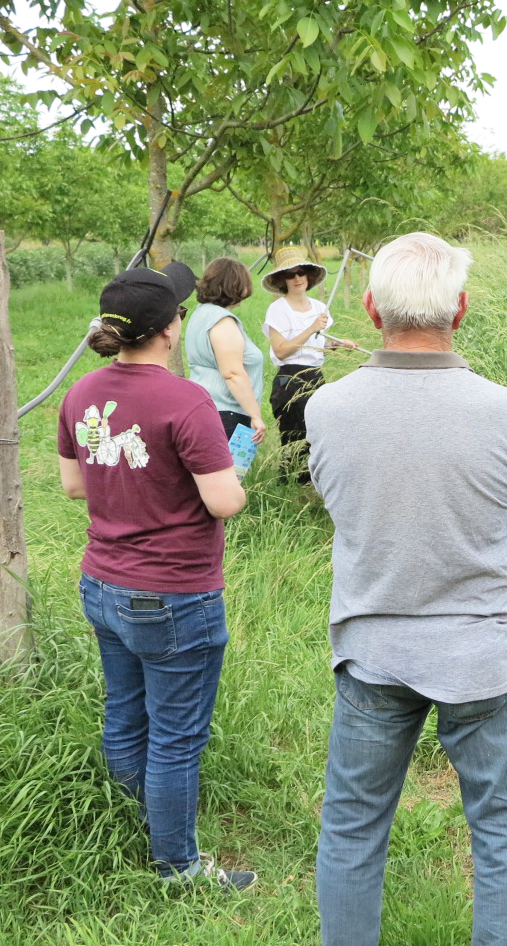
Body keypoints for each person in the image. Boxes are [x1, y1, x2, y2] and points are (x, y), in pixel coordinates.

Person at [303, 232, 507, 946]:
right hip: (480, 652)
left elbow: (338, 504)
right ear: (461, 309)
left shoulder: (327, 407)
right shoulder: (502, 409)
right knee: (505, 830)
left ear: (370, 309)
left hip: (373, 647)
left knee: (352, 827)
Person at [57, 260, 258, 891]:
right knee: (176, 737)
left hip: (102, 581)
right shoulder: (186, 400)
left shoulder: (82, 393)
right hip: (173, 592)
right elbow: (224, 501)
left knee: (125, 713)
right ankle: (178, 868)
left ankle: (128, 825)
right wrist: (237, 471)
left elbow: (72, 485)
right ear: (171, 328)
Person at [260, 247, 361, 482]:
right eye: (290, 274)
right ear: (282, 280)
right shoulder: (278, 309)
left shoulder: (318, 308)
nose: (297, 279)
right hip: (290, 379)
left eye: (301, 273)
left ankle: (313, 484)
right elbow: (282, 351)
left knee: (315, 435)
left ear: (308, 275)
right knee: (293, 437)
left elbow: (316, 345)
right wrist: (311, 328)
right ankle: (288, 486)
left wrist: (338, 344)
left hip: (315, 377)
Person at [186, 257, 267, 452]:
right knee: (227, 479)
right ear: (234, 286)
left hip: (201, 407)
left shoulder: (201, 313)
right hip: (226, 414)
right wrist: (255, 415)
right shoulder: (223, 322)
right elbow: (232, 373)